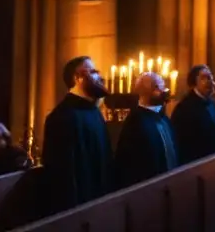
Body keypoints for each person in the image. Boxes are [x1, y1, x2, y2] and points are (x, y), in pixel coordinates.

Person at [42, 56, 113, 213]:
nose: (100, 77)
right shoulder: (62, 117)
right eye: (93, 72)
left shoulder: (94, 112)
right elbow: (62, 177)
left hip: (101, 204)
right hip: (80, 210)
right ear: (78, 78)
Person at [114, 72, 178, 188]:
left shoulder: (164, 118)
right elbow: (128, 164)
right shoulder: (135, 122)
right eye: (157, 87)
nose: (164, 91)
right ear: (144, 92)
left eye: (162, 86)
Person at [170, 64, 215, 165]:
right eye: (204, 78)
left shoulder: (212, 104)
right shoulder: (184, 108)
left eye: (210, 77)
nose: (210, 82)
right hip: (197, 165)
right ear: (194, 83)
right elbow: (181, 143)